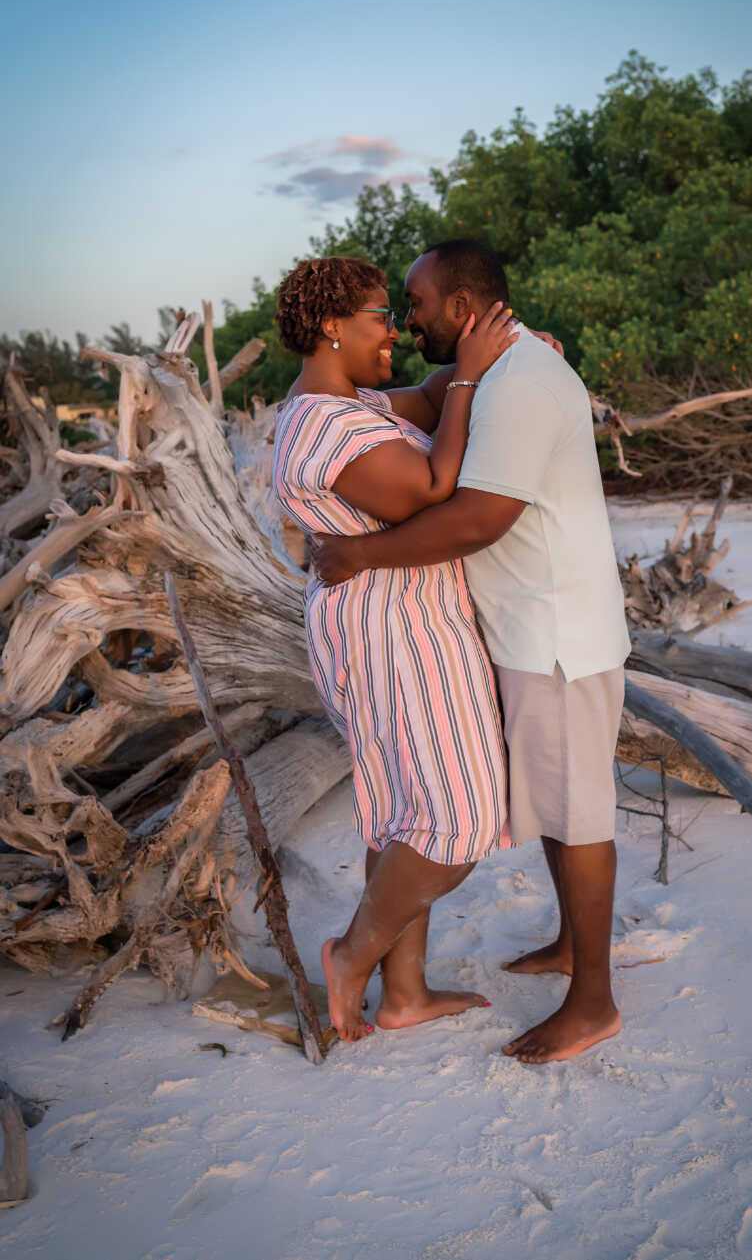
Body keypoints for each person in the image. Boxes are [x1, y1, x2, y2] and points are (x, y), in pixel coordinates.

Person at [311, 240, 632, 1065]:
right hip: (532, 629)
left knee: (582, 815)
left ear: (462, 310)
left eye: (414, 305)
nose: (408, 321)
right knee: (564, 805)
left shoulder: (520, 379)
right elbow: (409, 404)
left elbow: (478, 517)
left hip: (557, 635)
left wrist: (358, 557)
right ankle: (571, 944)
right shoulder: (496, 371)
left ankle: (592, 1001)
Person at [272, 255, 520, 1044]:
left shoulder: (351, 402)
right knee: (460, 820)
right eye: (381, 316)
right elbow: (430, 484)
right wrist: (475, 377)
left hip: (403, 617)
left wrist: (498, 350)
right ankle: (353, 955)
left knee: (411, 804)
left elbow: (426, 397)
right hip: (391, 630)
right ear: (331, 327)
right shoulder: (319, 422)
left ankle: (404, 992)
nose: (394, 332)